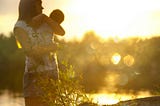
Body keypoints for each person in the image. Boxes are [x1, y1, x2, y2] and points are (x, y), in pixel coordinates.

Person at [13, 0, 65, 105]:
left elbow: (61, 32)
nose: (42, 8)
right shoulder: (20, 26)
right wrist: (50, 48)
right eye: (39, 4)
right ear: (30, 6)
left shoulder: (45, 21)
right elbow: (30, 51)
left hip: (51, 72)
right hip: (33, 75)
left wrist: (45, 18)